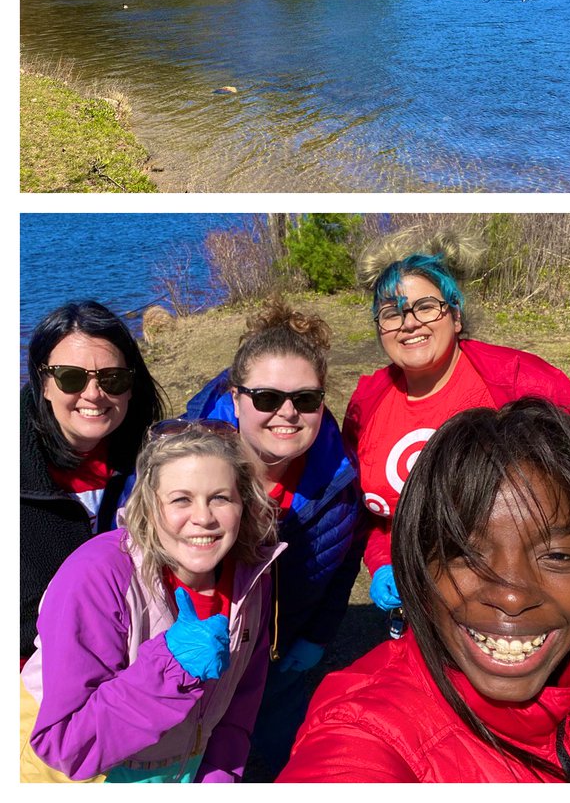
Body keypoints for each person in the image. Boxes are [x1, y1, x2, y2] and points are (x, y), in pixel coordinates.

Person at [278, 398, 570, 782]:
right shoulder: (364, 731)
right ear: (418, 566)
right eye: (464, 553)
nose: (511, 596)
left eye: (557, 556)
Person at [343, 235, 570, 629]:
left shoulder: (519, 381)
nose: (409, 323)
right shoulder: (366, 403)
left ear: (455, 316)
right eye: (392, 313)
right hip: (415, 609)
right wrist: (384, 563)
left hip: (508, 602)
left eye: (425, 307)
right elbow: (374, 515)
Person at [20, 420, 283, 782]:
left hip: (180, 770)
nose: (203, 518)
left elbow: (240, 703)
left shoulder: (252, 578)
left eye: (221, 497)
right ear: (149, 506)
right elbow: (66, 745)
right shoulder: (97, 575)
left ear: (244, 503)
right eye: (181, 499)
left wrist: (218, 776)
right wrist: (169, 670)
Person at [184, 300, 362, 779]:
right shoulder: (177, 467)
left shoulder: (340, 480)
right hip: (192, 672)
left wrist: (318, 636)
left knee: (292, 757)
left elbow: (345, 561)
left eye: (305, 399)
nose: (287, 413)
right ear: (237, 397)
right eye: (266, 398)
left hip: (281, 665)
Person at [20, 300, 167, 664]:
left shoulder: (152, 463)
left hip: (124, 663)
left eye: (112, 379)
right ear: (44, 384)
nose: (93, 394)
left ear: (132, 387)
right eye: (71, 377)